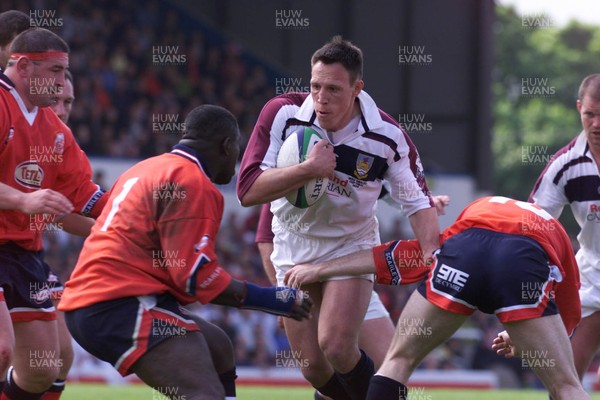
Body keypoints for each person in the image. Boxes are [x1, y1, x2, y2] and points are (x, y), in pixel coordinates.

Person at [58, 105, 313, 400]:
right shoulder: (192, 182)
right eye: (237, 151)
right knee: (203, 394)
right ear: (226, 146)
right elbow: (196, 278)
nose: (236, 163)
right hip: (118, 304)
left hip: (97, 300)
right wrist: (274, 299)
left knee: (218, 347)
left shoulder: (145, 167)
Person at [237, 36, 440, 399]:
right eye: (315, 86)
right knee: (313, 367)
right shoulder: (283, 114)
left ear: (357, 89)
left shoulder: (388, 137)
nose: (321, 97)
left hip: (351, 246)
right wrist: (309, 169)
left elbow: (417, 204)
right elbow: (248, 190)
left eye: (332, 88)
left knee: (335, 345)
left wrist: (433, 258)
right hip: (293, 247)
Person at [285, 196, 589, 400]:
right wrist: (521, 333)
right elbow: (569, 313)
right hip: (521, 261)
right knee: (565, 385)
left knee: (397, 361)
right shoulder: (555, 231)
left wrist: (320, 269)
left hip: (464, 252)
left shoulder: (476, 212)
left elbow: (396, 255)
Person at [0, 28, 108, 400]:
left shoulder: (54, 130)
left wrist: (133, 213)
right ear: (25, 66)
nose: (62, 84)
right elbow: (37, 204)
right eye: (56, 71)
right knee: (2, 349)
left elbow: (84, 195)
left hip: (22, 254)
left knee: (46, 366)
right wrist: (23, 201)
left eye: (65, 73)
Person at [529, 73, 600, 383]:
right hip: (593, 281)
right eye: (590, 114)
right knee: (564, 382)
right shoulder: (566, 166)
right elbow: (531, 226)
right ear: (579, 109)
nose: (597, 124)